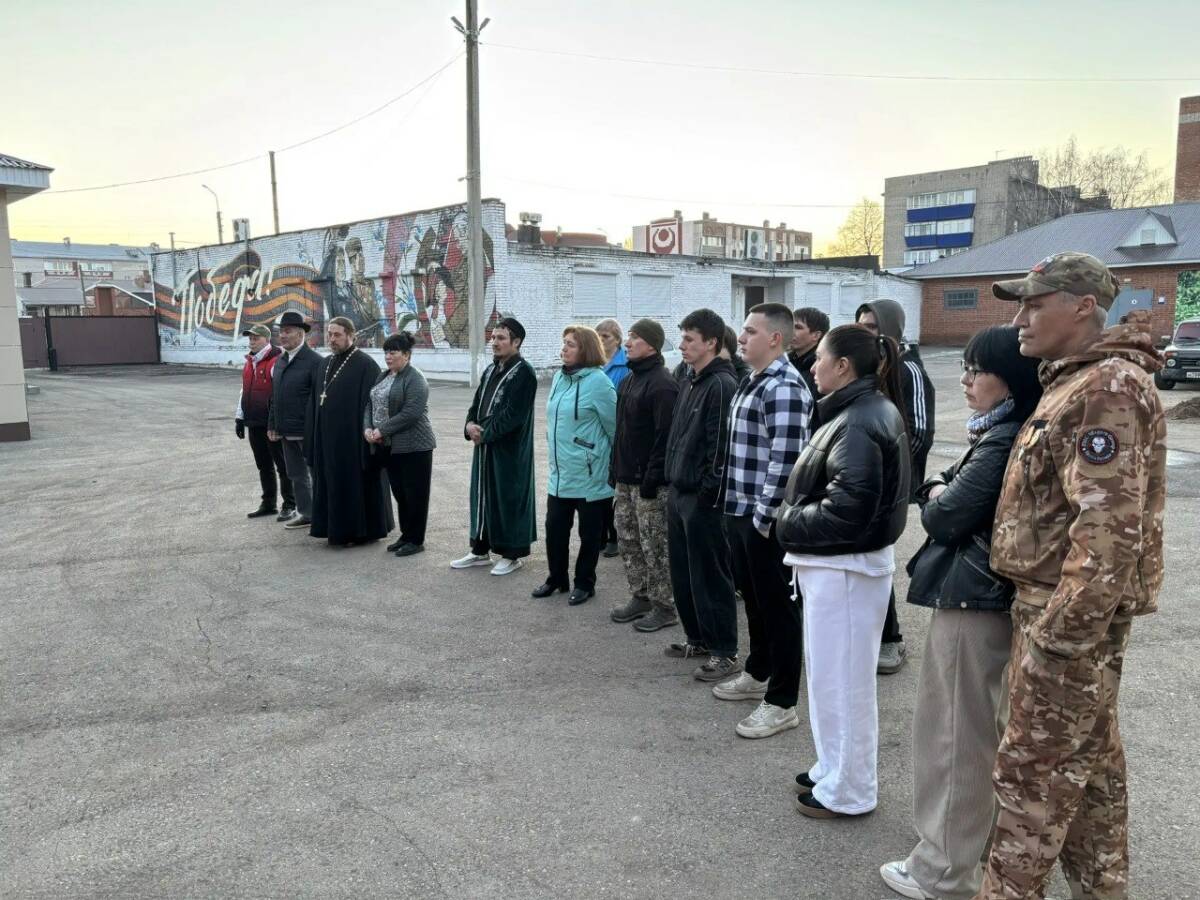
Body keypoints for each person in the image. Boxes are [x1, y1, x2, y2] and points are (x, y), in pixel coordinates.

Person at [975, 253, 1166, 899]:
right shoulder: (1077, 381)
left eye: (1034, 304)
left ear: (1083, 307)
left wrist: (1058, 641)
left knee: (1029, 781)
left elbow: (1108, 535)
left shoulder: (1105, 389)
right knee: (1091, 776)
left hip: (1065, 619)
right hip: (1053, 611)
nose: (1019, 319)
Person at [879, 325, 1042, 900]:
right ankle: (964, 852)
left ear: (1011, 380)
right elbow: (942, 489)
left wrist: (938, 495)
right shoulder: (1000, 432)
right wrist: (940, 490)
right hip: (985, 596)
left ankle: (943, 870)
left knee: (954, 733)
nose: (966, 380)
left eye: (978, 370)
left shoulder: (1002, 440)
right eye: (966, 368)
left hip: (974, 599)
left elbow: (944, 514)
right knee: (974, 727)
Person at [776, 324, 910, 819]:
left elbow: (847, 512)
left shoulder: (858, 420)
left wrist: (786, 521)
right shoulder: (855, 411)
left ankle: (851, 790)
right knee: (830, 681)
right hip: (837, 568)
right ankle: (833, 769)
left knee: (845, 686)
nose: (812, 367)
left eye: (820, 358)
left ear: (843, 366)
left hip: (846, 571)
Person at [713, 303, 812, 740]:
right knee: (755, 602)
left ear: (775, 338)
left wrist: (762, 520)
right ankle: (758, 672)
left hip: (764, 520)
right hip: (741, 511)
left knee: (779, 609)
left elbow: (785, 462)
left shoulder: (785, 386)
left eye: (750, 331)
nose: (740, 337)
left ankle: (782, 701)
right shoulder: (753, 380)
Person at [663, 308, 741, 681]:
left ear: (711, 343)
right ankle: (697, 638)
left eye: (689, 339)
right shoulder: (690, 379)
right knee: (683, 574)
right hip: (680, 492)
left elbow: (720, 448)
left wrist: (708, 494)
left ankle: (724, 651)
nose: (682, 346)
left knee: (710, 576)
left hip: (703, 499)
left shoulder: (721, 385)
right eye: (682, 338)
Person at [856, 298, 931, 673]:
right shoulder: (867, 364)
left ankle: (891, 639)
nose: (864, 332)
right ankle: (867, 633)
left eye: (871, 326)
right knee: (861, 560)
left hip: (889, 487)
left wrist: (891, 473)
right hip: (863, 483)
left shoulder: (908, 369)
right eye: (860, 325)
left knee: (878, 560)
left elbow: (918, 432)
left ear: (890, 329)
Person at [532, 325, 617, 606]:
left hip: (590, 474)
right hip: (560, 473)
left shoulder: (599, 382)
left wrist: (605, 463)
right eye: (564, 342)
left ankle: (584, 583)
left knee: (589, 535)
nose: (564, 348)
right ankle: (556, 578)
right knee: (555, 529)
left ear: (586, 349)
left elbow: (614, 429)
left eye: (571, 344)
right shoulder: (559, 377)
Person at [608, 318, 680, 632]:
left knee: (655, 547)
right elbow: (621, 432)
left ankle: (665, 606)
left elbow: (665, 439)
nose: (627, 343)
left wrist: (651, 480)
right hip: (625, 479)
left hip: (650, 484)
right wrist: (614, 470)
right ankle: (641, 596)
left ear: (651, 345)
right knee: (628, 540)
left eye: (634, 338)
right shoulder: (629, 380)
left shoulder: (662, 384)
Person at [453, 317, 538, 576]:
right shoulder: (491, 369)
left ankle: (512, 554)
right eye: (493, 337)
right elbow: (476, 404)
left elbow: (514, 415)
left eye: (501, 338)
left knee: (508, 498)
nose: (494, 342)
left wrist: (484, 434)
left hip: (509, 451)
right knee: (482, 496)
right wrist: (469, 425)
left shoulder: (524, 373)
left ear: (516, 342)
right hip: (484, 446)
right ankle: (479, 550)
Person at [306, 316, 393, 546]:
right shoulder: (324, 364)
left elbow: (374, 405)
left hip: (353, 441)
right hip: (327, 440)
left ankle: (359, 532)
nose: (332, 339)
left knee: (354, 485)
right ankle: (334, 529)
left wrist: (370, 434)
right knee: (331, 483)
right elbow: (315, 402)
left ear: (350, 335)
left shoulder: (366, 365)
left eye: (337, 334)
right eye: (329, 334)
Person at [363, 331, 437, 558]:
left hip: (415, 446)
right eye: (386, 352)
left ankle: (416, 540)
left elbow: (411, 413)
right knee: (401, 493)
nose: (388, 356)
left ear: (406, 354)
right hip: (389, 446)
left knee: (415, 495)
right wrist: (367, 428)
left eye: (393, 352)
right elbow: (370, 404)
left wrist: (381, 430)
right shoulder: (384, 375)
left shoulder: (415, 378)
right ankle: (406, 535)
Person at [268, 311, 321, 530]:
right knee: (296, 474)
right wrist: (272, 424)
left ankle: (323, 514)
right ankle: (306, 513)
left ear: (300, 334)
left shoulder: (315, 362)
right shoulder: (281, 361)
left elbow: (319, 399)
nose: (282, 336)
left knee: (316, 474)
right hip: (285, 430)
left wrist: (315, 427)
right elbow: (275, 396)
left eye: (287, 331)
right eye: (281, 332)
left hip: (307, 430)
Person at [235, 324, 294, 520]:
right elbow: (244, 390)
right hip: (254, 422)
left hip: (272, 424)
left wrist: (275, 423)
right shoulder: (249, 362)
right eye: (250, 338)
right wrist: (239, 417)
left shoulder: (276, 360)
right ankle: (268, 503)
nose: (252, 341)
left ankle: (290, 504)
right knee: (263, 465)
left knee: (283, 466)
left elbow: (281, 394)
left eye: (256, 338)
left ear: (267, 340)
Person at [596, 318, 629, 558]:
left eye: (605, 336)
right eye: (598, 336)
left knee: (612, 486)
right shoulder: (594, 362)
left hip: (617, 430)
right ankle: (599, 533)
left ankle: (613, 536)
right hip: (596, 433)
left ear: (617, 339)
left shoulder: (625, 365)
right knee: (597, 485)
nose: (601, 340)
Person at [788, 307, 828, 430]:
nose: (791, 331)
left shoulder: (821, 369)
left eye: (798, 327)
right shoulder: (787, 363)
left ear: (816, 335)